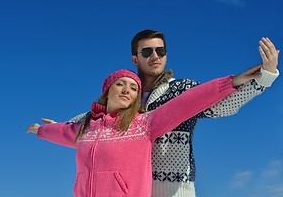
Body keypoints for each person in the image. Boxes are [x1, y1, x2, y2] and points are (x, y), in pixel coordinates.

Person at [54, 32, 280, 197]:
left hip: (176, 191)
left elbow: (223, 106)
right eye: (147, 51)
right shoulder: (128, 97)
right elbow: (98, 120)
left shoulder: (181, 90)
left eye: (160, 51)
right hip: (133, 191)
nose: (155, 55)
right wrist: (60, 126)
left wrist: (266, 77)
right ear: (135, 59)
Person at [26, 67, 262, 197]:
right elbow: (63, 131)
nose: (127, 90)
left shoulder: (144, 124)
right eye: (121, 84)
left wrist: (232, 82)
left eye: (133, 88)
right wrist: (41, 130)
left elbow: (189, 102)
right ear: (107, 91)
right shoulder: (87, 129)